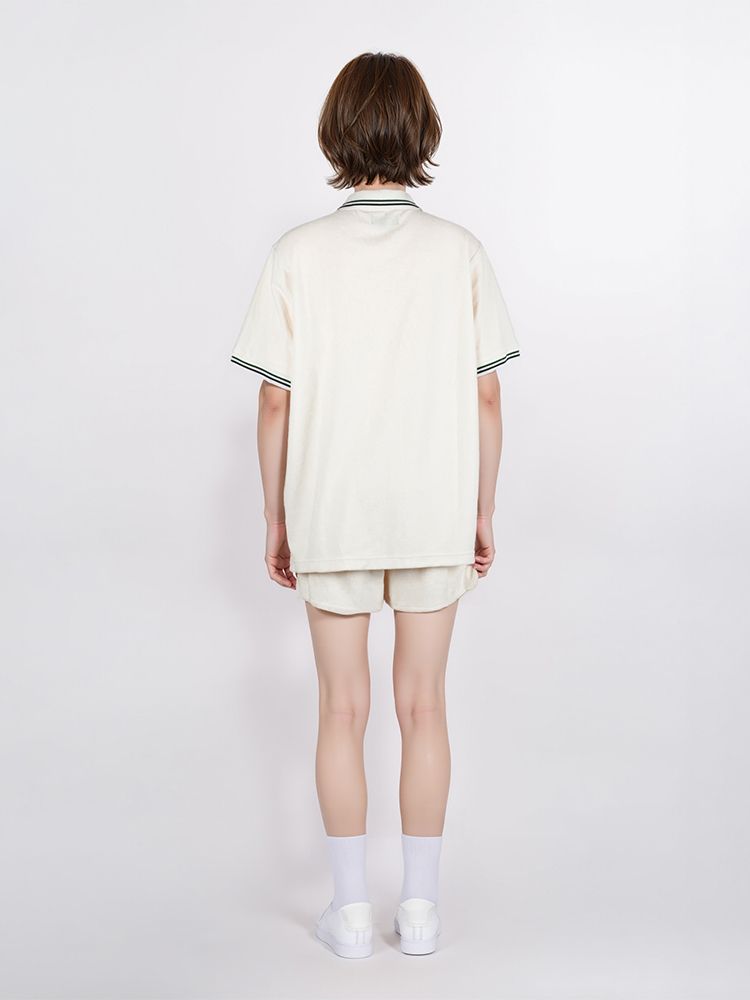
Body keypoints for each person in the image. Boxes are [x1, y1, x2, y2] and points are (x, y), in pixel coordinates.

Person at [230, 51, 520, 958]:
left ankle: (352, 913)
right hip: (435, 508)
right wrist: (482, 508)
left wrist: (277, 517)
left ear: (337, 130)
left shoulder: (298, 253)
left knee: (340, 711)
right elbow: (487, 396)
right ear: (422, 131)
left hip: (332, 510)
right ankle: (421, 911)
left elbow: (273, 400)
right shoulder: (460, 251)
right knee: (424, 706)